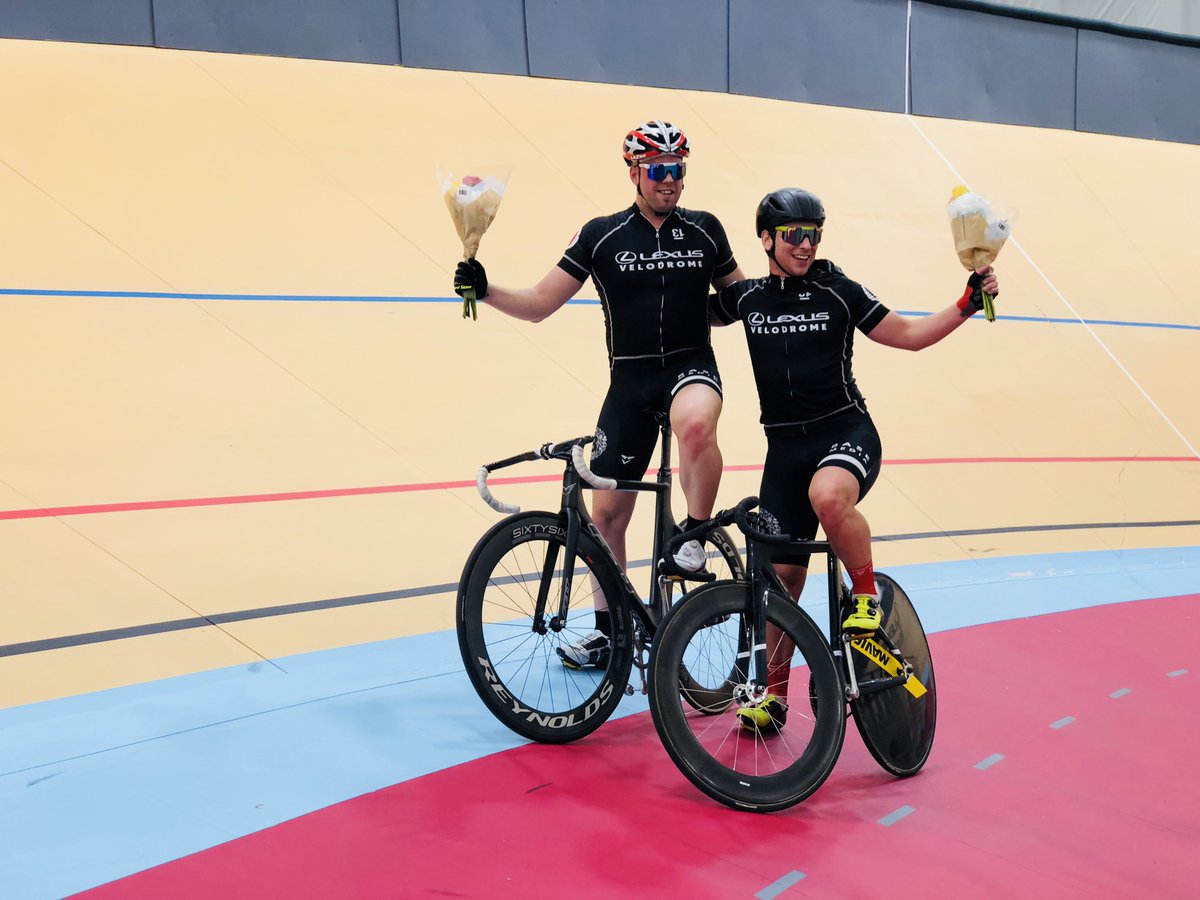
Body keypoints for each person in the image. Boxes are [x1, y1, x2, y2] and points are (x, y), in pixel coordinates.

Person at [453, 120, 745, 669]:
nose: (670, 181)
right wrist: (485, 288)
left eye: (678, 170)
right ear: (634, 172)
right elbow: (540, 303)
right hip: (630, 386)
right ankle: (612, 634)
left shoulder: (706, 230)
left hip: (690, 368)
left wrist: (728, 306)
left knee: (698, 425)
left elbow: (740, 298)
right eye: (658, 170)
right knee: (607, 517)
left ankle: (694, 535)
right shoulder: (601, 234)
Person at [709, 187, 999, 733]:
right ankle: (772, 699)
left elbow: (909, 336)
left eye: (814, 233)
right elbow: (682, 312)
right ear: (766, 239)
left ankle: (863, 598)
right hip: (784, 451)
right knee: (781, 581)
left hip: (846, 433)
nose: (805, 244)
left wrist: (965, 302)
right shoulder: (745, 298)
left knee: (828, 496)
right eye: (794, 234)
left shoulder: (837, 289)